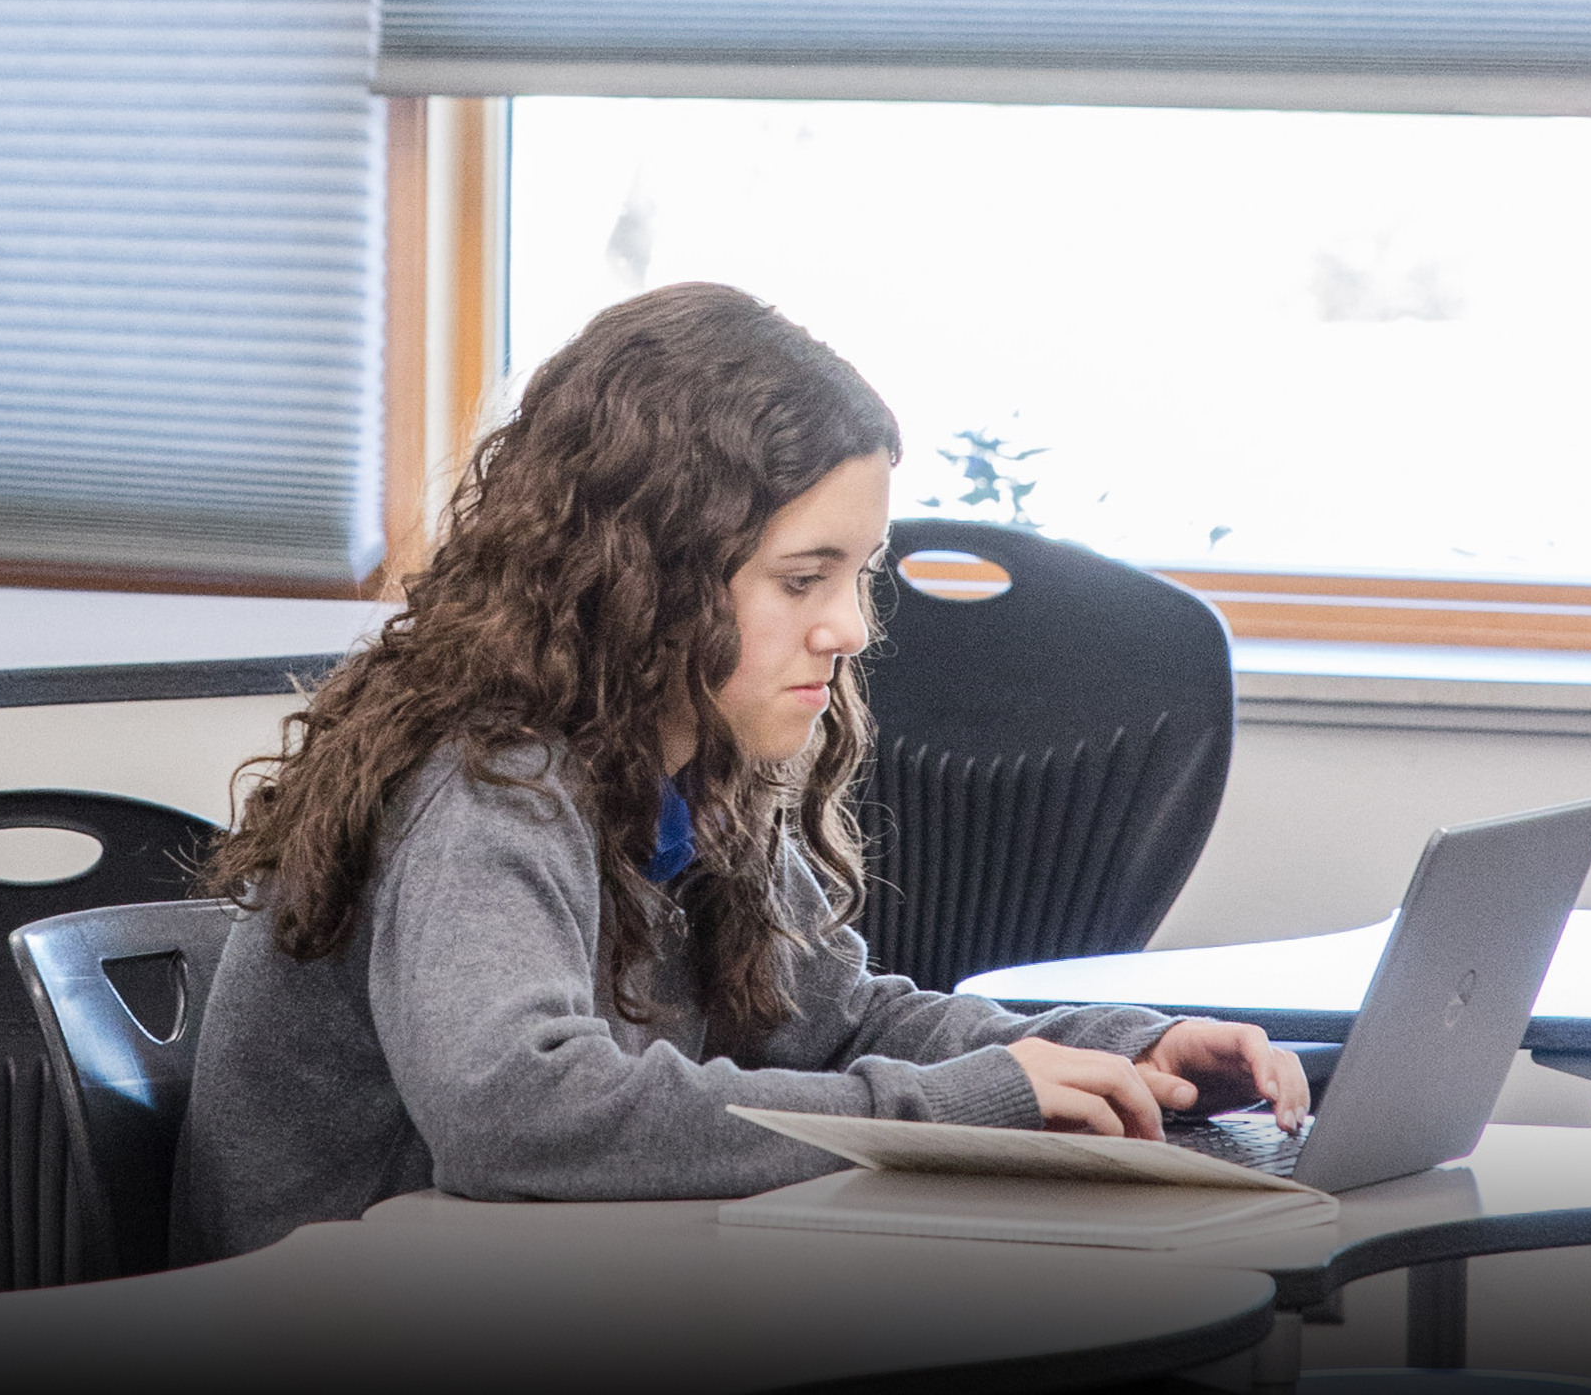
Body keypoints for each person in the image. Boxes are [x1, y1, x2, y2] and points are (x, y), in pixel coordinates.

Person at [173, 282, 1307, 1264]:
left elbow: (839, 1024)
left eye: (857, 575)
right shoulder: (487, 783)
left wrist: (1116, 1051)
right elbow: (518, 1110)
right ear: (641, 575)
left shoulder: (688, 770)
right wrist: (965, 1105)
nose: (851, 628)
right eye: (802, 578)